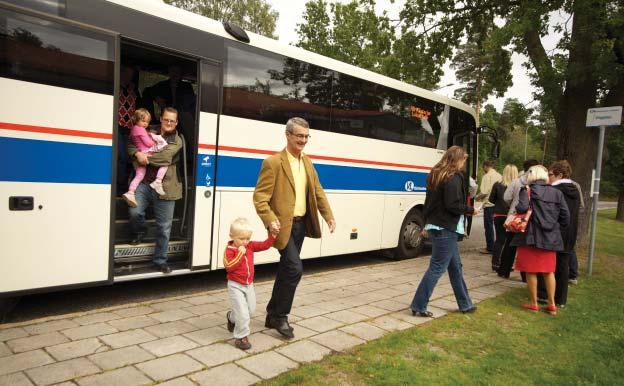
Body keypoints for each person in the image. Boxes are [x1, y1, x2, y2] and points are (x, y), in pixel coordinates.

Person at [253, 117, 336, 339]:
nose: (303, 140)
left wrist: (328, 216)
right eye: (299, 135)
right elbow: (260, 198)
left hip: (300, 226)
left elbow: (317, 190)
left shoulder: (307, 162)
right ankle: (281, 316)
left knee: (285, 270)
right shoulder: (273, 163)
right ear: (288, 135)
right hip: (282, 226)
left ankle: (271, 315)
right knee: (294, 268)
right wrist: (270, 219)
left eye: (306, 136)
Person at [410, 146, 479, 317]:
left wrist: (427, 223)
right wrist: (471, 210)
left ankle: (465, 304)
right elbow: (452, 205)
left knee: (455, 267)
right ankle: (418, 305)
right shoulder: (452, 177)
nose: (464, 163)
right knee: (437, 267)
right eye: (463, 159)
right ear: (457, 159)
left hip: (438, 226)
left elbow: (429, 204)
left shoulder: (436, 175)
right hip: (446, 228)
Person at [127, 107, 183, 274]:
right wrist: (136, 153)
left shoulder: (176, 140)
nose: (169, 123)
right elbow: (130, 143)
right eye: (166, 119)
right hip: (144, 183)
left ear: (176, 123)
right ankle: (140, 231)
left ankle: (160, 261)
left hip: (164, 188)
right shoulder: (147, 130)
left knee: (164, 228)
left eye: (172, 121)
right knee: (134, 212)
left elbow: (165, 157)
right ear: (161, 118)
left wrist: (144, 157)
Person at [510, 165, 569, 315]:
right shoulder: (557, 193)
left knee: (531, 271)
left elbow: (522, 208)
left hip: (530, 237)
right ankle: (552, 304)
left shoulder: (527, 190)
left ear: (531, 175)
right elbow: (565, 217)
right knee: (549, 271)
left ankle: (534, 303)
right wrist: (554, 227)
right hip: (551, 238)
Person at [224, 218, 277, 350]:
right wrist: (240, 255)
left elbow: (265, 245)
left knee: (250, 310)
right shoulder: (230, 250)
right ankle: (241, 337)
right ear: (232, 236)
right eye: (242, 239)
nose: (245, 242)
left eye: (248, 238)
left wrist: (273, 236)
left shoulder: (250, 246)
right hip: (235, 285)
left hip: (249, 285)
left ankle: (231, 317)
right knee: (243, 313)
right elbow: (229, 267)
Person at [536, 160, 581, 307]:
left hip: (555, 232)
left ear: (559, 174)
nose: (548, 177)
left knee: (547, 264)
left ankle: (543, 295)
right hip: (570, 233)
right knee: (563, 266)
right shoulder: (575, 190)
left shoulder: (555, 191)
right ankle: (560, 299)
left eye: (550, 174)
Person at [497, 159, 539, 278]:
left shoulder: (516, 182)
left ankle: (503, 271)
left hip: (515, 218)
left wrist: (513, 205)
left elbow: (506, 197)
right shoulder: (538, 183)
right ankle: (525, 276)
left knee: (509, 245)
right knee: (526, 248)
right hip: (530, 220)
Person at [122, 109, 169, 207]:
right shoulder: (140, 129)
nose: (145, 124)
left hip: (141, 153)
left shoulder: (134, 129)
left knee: (139, 175)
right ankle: (158, 181)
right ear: (136, 119)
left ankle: (130, 192)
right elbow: (148, 143)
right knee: (165, 163)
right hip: (146, 152)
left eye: (147, 122)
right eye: (143, 121)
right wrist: (155, 141)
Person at [117, 65, 143, 194]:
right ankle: (120, 187)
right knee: (121, 157)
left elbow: (139, 108)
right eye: (126, 73)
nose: (129, 77)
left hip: (130, 128)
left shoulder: (133, 89)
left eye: (131, 74)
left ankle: (127, 187)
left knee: (129, 158)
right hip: (117, 126)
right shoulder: (115, 85)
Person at [488, 164, 518, 271]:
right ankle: (507, 264)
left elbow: (491, 200)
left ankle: (495, 263)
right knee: (510, 241)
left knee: (499, 240)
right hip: (511, 216)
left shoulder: (497, 184)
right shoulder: (517, 186)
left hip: (498, 214)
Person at [477, 160, 502, 254]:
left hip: (489, 205)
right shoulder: (499, 176)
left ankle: (490, 247)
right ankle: (498, 247)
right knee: (498, 227)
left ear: (486, 166)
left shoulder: (486, 176)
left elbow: (484, 192)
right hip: (498, 205)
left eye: (483, 167)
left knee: (488, 227)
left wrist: (476, 198)